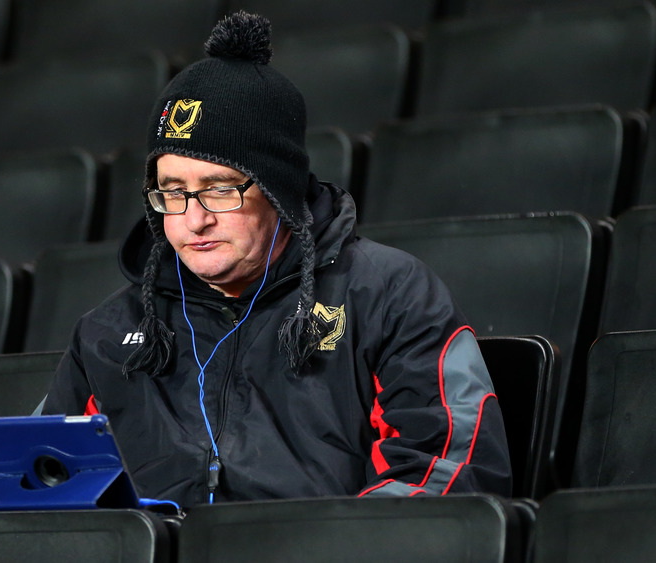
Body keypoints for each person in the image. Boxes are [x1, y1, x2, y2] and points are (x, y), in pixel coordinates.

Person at [42, 11, 512, 507]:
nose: (192, 220)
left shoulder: (388, 294)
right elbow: (36, 482)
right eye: (172, 192)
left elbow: (446, 470)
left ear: (279, 191)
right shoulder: (108, 329)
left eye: (220, 190)